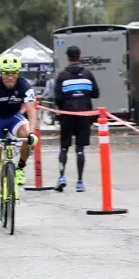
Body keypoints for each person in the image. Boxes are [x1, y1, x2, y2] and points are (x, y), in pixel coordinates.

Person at [0, 54, 39, 220]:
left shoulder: (24, 85)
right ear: (1, 73)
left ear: (18, 73)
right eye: (6, 73)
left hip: (14, 117)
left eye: (13, 72)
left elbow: (32, 110)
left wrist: (33, 131)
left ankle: (20, 167)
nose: (10, 76)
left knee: (27, 136)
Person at [54, 45, 100, 192]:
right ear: (79, 57)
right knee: (80, 149)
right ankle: (80, 182)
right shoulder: (88, 74)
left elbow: (58, 98)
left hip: (67, 116)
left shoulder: (62, 76)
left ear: (67, 57)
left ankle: (61, 177)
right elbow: (96, 94)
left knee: (64, 147)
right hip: (83, 117)